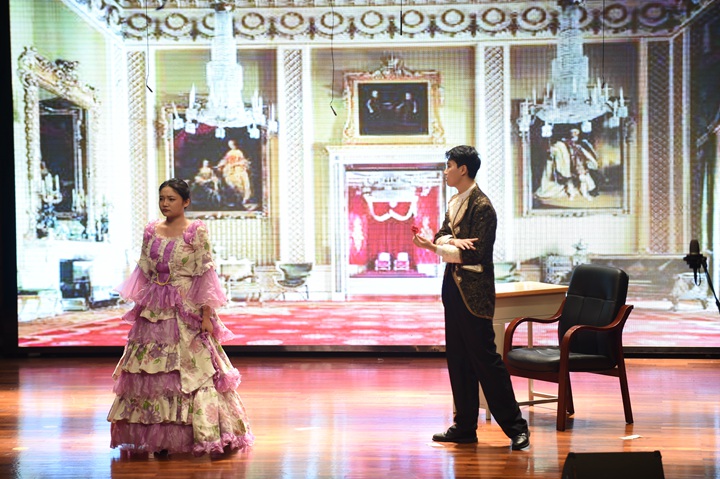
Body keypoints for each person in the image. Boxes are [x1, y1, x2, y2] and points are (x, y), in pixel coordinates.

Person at [108, 178, 253, 458]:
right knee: (152, 372)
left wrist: (207, 315)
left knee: (194, 370)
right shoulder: (151, 230)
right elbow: (144, 270)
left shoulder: (196, 231)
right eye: (162, 198)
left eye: (171, 199)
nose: (165, 203)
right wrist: (143, 307)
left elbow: (205, 274)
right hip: (154, 310)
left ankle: (205, 433)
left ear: (186, 202)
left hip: (186, 308)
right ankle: (158, 438)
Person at [412, 145, 530, 450]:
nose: (446, 171)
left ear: (463, 169)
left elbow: (476, 253)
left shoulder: (482, 206)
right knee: (458, 358)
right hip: (453, 289)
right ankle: (464, 426)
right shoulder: (455, 201)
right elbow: (441, 234)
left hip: (474, 295)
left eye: (449, 166)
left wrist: (438, 247)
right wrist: (452, 241)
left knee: (486, 361)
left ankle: (517, 428)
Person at [217, 140, 252, 205]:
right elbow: (225, 160)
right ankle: (235, 198)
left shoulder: (239, 152)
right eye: (230, 145)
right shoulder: (229, 153)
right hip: (231, 171)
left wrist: (235, 164)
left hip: (238, 170)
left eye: (232, 144)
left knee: (241, 183)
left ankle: (243, 198)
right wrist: (220, 165)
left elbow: (243, 161)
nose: (231, 146)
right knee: (231, 183)